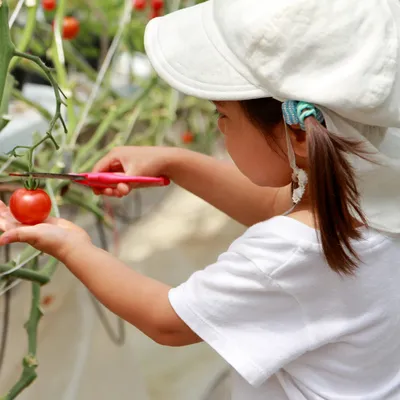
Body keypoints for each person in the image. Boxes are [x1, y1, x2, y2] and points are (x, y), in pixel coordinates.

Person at [2, 0, 400, 398]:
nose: (218, 126)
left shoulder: (290, 255)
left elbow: (167, 320)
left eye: (222, 115)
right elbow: (272, 206)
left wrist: (71, 244)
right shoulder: (373, 188)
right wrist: (176, 162)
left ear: (296, 134)